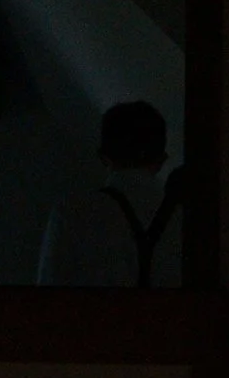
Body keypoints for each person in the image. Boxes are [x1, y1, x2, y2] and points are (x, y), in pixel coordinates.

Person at [36, 100, 185, 287]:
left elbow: (48, 291)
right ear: (162, 159)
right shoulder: (185, 218)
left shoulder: (71, 213)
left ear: (103, 157)